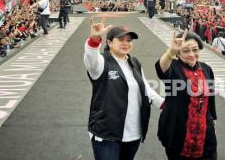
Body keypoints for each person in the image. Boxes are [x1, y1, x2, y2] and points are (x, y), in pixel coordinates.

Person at [84, 17, 163, 160]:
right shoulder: (101, 63)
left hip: (133, 133)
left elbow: (145, 88)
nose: (126, 43)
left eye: (129, 40)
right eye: (121, 40)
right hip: (106, 134)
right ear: (109, 42)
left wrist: (164, 104)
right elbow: (91, 58)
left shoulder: (134, 62)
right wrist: (94, 40)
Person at [155, 29, 217, 159]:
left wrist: (212, 122)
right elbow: (161, 67)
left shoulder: (206, 69)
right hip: (178, 132)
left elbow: (210, 100)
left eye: (195, 50)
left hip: (205, 133)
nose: (191, 54)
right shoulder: (173, 67)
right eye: (186, 50)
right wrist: (171, 51)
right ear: (178, 53)